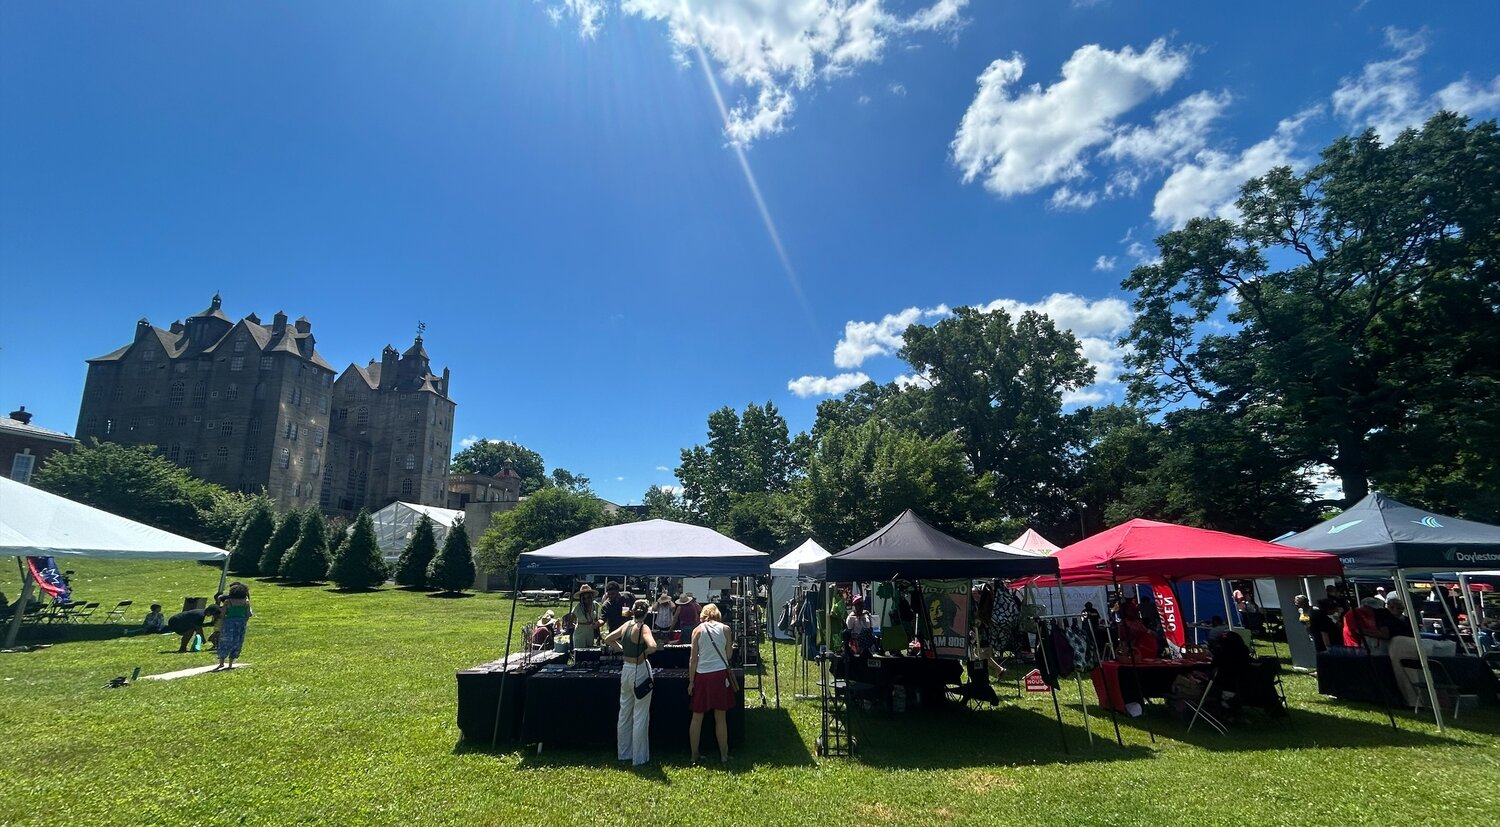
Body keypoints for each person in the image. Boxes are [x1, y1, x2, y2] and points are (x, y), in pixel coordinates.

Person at [603, 598, 658, 766]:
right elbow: (653, 646)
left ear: (633, 611)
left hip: (626, 669)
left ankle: (624, 753)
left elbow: (608, 638)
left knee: (624, 712)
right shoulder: (643, 627)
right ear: (647, 613)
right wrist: (643, 654)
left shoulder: (626, 625)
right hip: (638, 669)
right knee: (640, 714)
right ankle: (639, 757)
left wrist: (623, 650)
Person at [688, 602, 736, 764]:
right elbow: (729, 654)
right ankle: (724, 754)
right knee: (720, 717)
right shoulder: (726, 629)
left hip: (702, 675)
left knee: (697, 717)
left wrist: (691, 681)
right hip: (720, 675)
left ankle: (694, 754)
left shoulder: (697, 631)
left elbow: (693, 659)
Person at [214, 583, 253, 671]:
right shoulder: (246, 601)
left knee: (225, 641)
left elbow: (222, 614)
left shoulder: (228, 601)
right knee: (237, 642)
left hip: (228, 624)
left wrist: (220, 624)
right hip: (241, 624)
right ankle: (231, 664)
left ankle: (221, 663)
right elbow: (248, 614)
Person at [572, 585, 602, 649]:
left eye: (588, 597)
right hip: (580, 632)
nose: (587, 600)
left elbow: (597, 620)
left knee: (589, 652)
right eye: (584, 598)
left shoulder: (595, 605)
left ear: (591, 596)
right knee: (580, 653)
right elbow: (571, 620)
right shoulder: (577, 608)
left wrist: (599, 635)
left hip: (590, 632)